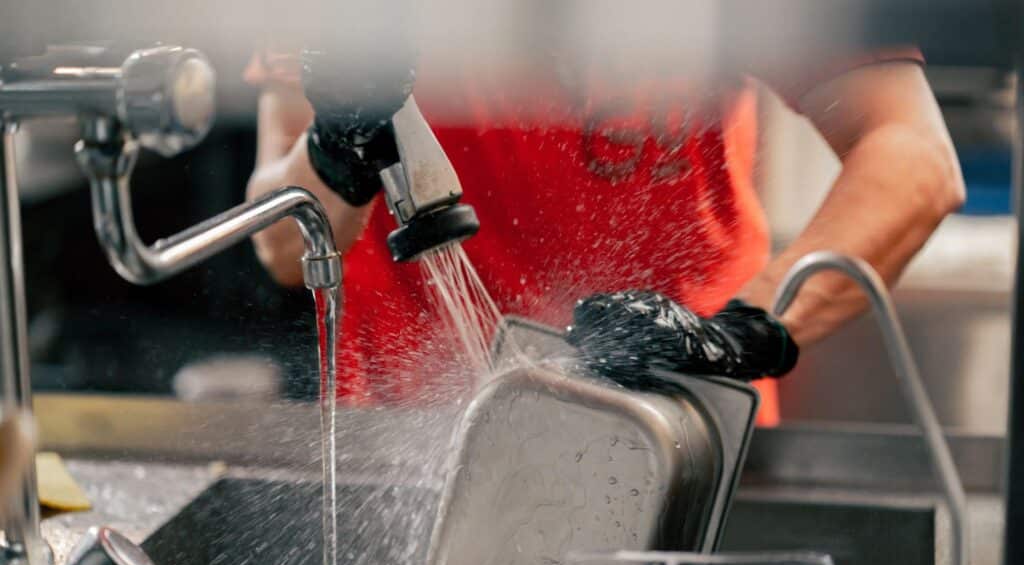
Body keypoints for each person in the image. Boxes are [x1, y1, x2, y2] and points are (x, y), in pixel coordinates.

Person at [243, 40, 964, 425]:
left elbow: (912, 156)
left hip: (676, 434)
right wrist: (337, 145)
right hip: (411, 450)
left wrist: (741, 329)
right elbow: (284, 245)